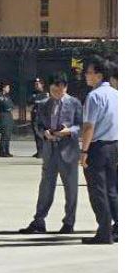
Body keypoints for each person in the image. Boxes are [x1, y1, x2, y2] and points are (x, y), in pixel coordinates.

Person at [18, 74, 81, 235]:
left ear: (65, 87)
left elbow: (81, 126)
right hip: (50, 150)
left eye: (60, 90)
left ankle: (69, 222)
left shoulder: (74, 103)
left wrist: (68, 131)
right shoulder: (44, 104)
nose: (57, 93)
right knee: (45, 187)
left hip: (68, 151)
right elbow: (38, 125)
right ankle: (39, 221)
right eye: (53, 90)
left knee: (71, 189)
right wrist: (44, 133)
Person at [79, 55, 118, 245]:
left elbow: (89, 126)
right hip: (115, 146)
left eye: (89, 72)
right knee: (112, 189)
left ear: (99, 75)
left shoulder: (94, 96)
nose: (86, 75)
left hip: (98, 148)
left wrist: (84, 152)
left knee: (97, 191)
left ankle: (104, 232)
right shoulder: (117, 94)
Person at [28, 78, 49, 158]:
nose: (36, 86)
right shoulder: (33, 93)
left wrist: (36, 100)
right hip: (35, 116)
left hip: (42, 117)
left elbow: (44, 102)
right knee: (36, 134)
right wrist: (35, 100)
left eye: (37, 84)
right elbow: (29, 102)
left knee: (42, 134)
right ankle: (39, 151)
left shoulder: (46, 93)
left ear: (42, 85)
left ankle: (44, 152)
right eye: (35, 84)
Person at [0, 80, 15, 157]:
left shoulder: (7, 96)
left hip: (8, 116)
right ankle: (2, 151)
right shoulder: (0, 96)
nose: (8, 89)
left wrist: (9, 107)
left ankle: (7, 151)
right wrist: (8, 107)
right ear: (3, 88)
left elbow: (12, 105)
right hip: (3, 116)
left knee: (8, 134)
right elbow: (5, 105)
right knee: (5, 134)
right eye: (7, 87)